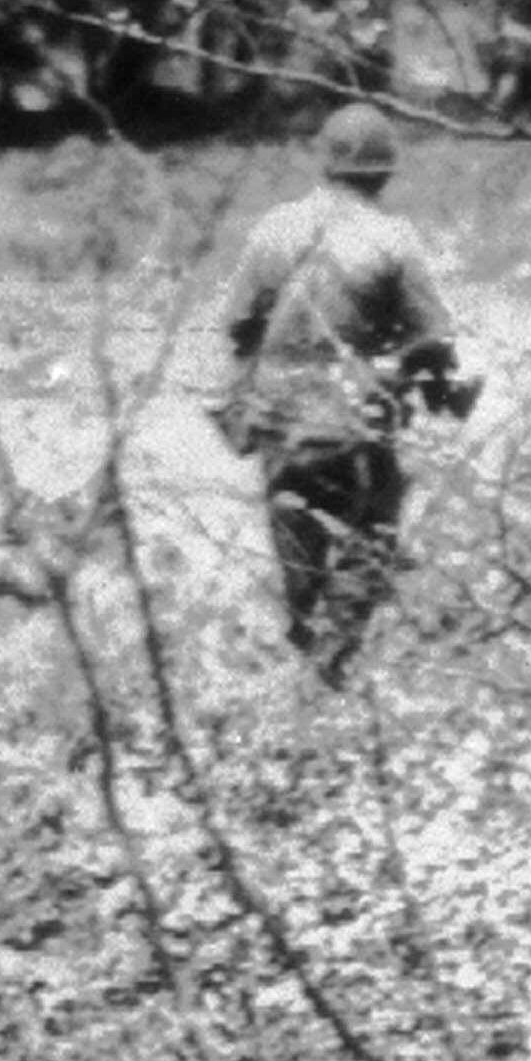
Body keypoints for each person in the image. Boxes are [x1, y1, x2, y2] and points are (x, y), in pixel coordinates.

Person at [213, 103, 478, 687]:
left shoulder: (273, 228)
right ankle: (332, 666)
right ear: (385, 173)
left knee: (297, 542)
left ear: (326, 163)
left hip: (277, 420)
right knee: (373, 535)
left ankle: (308, 652)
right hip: (351, 424)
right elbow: (431, 339)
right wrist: (446, 392)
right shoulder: (393, 239)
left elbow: (236, 327)